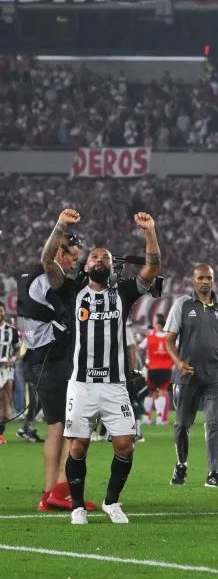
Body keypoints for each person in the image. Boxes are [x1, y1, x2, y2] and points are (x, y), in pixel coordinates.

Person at [42, 208, 161, 524]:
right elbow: (47, 262)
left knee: (125, 444)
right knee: (78, 446)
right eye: (94, 257)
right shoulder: (71, 291)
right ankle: (78, 506)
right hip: (81, 384)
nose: (98, 261)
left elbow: (153, 267)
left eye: (104, 258)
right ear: (85, 265)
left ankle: (111, 502)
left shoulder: (123, 293)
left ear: (110, 267)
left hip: (115, 384)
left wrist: (149, 231)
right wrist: (61, 226)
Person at [16, 230, 86, 510]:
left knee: (56, 425)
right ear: (60, 254)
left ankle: (49, 493)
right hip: (53, 361)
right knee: (67, 426)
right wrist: (60, 225)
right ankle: (59, 491)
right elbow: (50, 263)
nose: (73, 266)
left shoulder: (31, 280)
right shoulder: (48, 277)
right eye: (72, 260)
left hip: (40, 360)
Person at [165, 264, 218, 488]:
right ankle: (181, 464)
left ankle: (213, 473)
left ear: (214, 281)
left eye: (209, 278)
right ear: (193, 280)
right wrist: (179, 363)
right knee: (182, 425)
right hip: (188, 375)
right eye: (201, 277)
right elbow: (169, 340)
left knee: (215, 424)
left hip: (216, 376)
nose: (205, 281)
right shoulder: (182, 304)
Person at [144, 314, 172, 426]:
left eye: (155, 322)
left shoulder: (150, 336)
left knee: (150, 393)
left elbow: (141, 346)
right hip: (166, 369)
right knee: (162, 392)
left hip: (152, 368)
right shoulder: (169, 337)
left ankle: (147, 416)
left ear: (158, 325)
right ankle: (160, 418)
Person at [0, 304, 20, 445]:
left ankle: (0, 433)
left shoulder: (11, 330)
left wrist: (12, 359)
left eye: (1, 310)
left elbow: (18, 348)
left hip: (6, 370)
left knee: (5, 399)